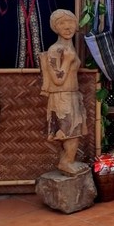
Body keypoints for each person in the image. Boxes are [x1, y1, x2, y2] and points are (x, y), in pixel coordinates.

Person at [39, 9, 88, 176]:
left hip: (71, 93)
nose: (67, 27)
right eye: (62, 23)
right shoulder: (56, 49)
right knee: (70, 132)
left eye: (71, 22)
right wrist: (67, 60)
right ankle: (66, 162)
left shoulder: (68, 47)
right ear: (55, 27)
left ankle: (67, 160)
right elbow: (57, 78)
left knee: (72, 131)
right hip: (62, 95)